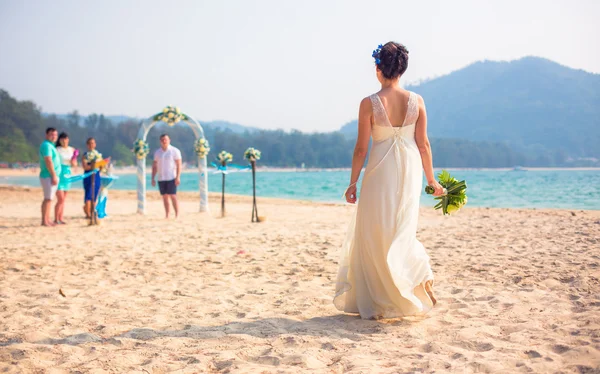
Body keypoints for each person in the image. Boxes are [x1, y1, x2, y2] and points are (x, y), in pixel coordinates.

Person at [334, 42, 445, 320]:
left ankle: (381, 296)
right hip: (409, 169)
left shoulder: (368, 103)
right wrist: (432, 180)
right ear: (402, 68)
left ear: (378, 68)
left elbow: (361, 149)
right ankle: (415, 282)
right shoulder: (417, 101)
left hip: (380, 172)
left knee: (375, 230)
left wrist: (352, 183)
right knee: (402, 228)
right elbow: (424, 144)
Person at [151, 134, 182, 218]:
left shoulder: (175, 151)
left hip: (171, 177)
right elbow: (154, 166)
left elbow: (179, 164)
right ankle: (167, 214)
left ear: (169, 140)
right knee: (164, 196)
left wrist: (178, 176)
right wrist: (153, 178)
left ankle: (177, 214)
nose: (164, 141)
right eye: (162, 140)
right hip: (161, 178)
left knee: (173, 196)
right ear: (160, 141)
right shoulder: (157, 152)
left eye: (166, 139)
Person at [39, 127, 61, 226]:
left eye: (55, 135)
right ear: (47, 135)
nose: (54, 137)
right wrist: (54, 175)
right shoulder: (46, 145)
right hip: (48, 175)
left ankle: (47, 219)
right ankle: (44, 221)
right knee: (48, 198)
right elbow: (48, 160)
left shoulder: (51, 146)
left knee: (50, 199)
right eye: (52, 134)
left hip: (51, 175)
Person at [54, 132, 77, 224]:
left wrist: (73, 160)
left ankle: (60, 218)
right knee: (60, 198)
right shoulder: (56, 149)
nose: (64, 141)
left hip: (67, 173)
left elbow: (74, 164)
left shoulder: (72, 149)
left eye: (66, 139)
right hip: (59, 171)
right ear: (60, 140)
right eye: (62, 139)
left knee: (64, 199)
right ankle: (56, 219)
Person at [81, 137, 102, 218]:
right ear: (87, 145)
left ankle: (92, 212)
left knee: (95, 194)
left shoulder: (98, 155)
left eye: (93, 143)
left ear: (95, 144)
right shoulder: (85, 155)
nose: (91, 145)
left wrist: (101, 165)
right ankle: (88, 214)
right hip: (88, 175)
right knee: (88, 194)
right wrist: (94, 165)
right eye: (90, 143)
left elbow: (101, 168)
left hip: (96, 176)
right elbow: (85, 167)